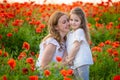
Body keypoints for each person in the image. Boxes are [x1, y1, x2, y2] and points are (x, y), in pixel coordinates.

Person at [65, 7, 94, 80]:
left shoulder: (79, 31)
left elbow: (76, 46)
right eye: (71, 20)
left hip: (81, 61)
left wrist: (69, 59)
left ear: (82, 22)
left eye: (76, 20)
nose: (73, 22)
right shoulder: (71, 33)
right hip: (76, 62)